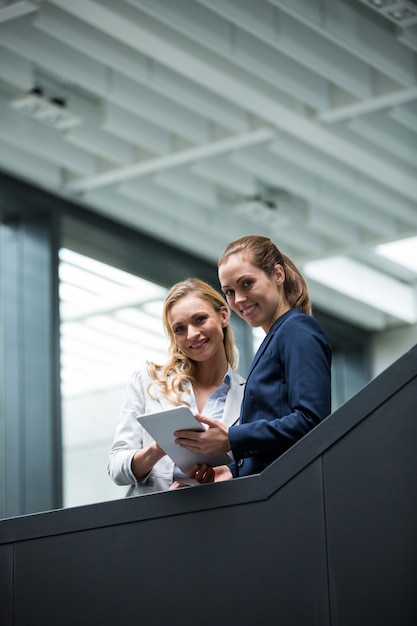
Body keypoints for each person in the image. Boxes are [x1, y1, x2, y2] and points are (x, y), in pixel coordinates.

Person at [174, 235, 332, 482]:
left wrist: (232, 438)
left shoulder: (297, 330)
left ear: (278, 275)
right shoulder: (276, 338)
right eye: (229, 291)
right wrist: (230, 471)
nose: (238, 300)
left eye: (247, 283)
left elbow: (311, 421)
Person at [107, 277, 245, 495]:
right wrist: (158, 449)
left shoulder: (249, 395)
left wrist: (220, 475)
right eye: (180, 329)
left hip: (222, 519)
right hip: (154, 520)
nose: (192, 334)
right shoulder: (147, 382)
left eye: (200, 319)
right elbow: (116, 468)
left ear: (224, 316)